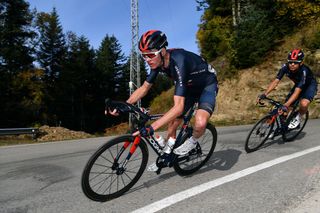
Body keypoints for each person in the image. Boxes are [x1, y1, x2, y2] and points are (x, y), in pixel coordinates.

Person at [107, 30, 218, 171]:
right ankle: (167, 156)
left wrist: (152, 127)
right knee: (172, 124)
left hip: (207, 85)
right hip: (189, 88)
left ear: (163, 51)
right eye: (144, 56)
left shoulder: (179, 60)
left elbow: (178, 107)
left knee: (200, 123)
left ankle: (192, 141)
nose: (147, 60)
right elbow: (144, 88)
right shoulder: (157, 63)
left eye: (150, 55)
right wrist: (125, 104)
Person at [257, 49, 318, 129]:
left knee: (303, 103)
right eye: (290, 62)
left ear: (301, 63)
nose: (292, 64)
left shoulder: (304, 71)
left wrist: (286, 105)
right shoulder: (285, 67)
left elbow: (297, 92)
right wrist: (265, 94)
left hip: (309, 86)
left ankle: (298, 117)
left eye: (295, 62)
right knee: (285, 110)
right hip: (298, 85)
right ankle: (281, 127)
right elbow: (276, 81)